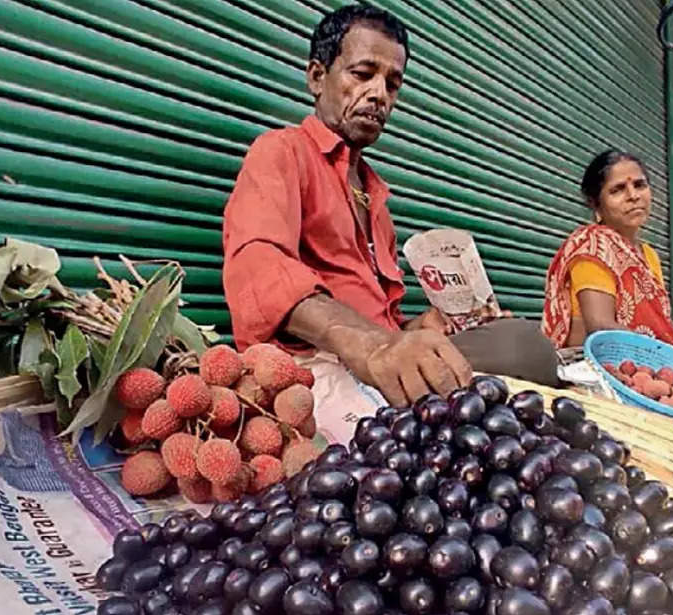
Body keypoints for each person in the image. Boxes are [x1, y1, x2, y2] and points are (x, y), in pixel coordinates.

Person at [223, 5, 559, 407]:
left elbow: (384, 319)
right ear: (317, 77)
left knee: (522, 342)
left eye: (393, 83)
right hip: (317, 362)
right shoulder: (281, 152)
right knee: (522, 354)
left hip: (381, 357)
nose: (379, 94)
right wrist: (369, 345)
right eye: (362, 74)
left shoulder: (373, 192)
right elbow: (257, 266)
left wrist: (421, 328)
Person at [541, 149, 673, 349]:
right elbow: (601, 327)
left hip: (643, 360)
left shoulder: (649, 255)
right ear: (596, 205)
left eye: (639, 185)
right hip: (594, 364)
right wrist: (665, 352)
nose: (633, 196)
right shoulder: (594, 247)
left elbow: (663, 322)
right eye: (617, 190)